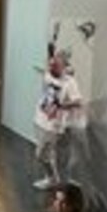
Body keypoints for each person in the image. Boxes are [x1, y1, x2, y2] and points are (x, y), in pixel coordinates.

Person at [33, 51, 83, 189]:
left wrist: (61, 105)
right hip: (41, 120)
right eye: (51, 64)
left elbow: (78, 102)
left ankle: (54, 179)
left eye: (56, 65)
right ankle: (56, 178)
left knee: (41, 154)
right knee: (49, 154)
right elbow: (47, 66)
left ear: (64, 67)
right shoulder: (48, 74)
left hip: (55, 125)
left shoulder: (70, 82)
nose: (51, 67)